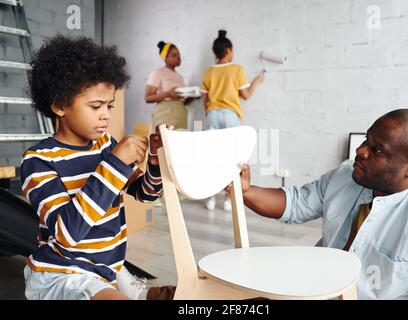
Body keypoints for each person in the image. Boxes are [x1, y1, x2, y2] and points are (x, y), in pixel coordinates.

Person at [228, 109, 408, 299]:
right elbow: (296, 202)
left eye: (377, 150)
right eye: (366, 140)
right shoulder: (346, 174)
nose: (360, 151)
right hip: (315, 288)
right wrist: (245, 190)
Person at [21, 35, 175, 300]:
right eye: (95, 106)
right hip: (61, 274)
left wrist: (154, 161)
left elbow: (146, 194)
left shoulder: (104, 145)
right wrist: (114, 164)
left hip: (104, 270)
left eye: (109, 105)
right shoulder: (38, 161)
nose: (106, 114)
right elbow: (68, 234)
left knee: (174, 295)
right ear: (59, 105)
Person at [201, 29, 264, 211]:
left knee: (212, 158)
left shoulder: (208, 72)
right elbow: (245, 95)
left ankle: (211, 199)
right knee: (234, 157)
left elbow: (204, 100)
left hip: (212, 114)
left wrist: (211, 111)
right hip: (230, 115)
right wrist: (257, 82)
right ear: (228, 50)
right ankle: (229, 199)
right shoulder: (237, 69)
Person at [145, 41, 195, 131]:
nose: (178, 57)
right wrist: (168, 94)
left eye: (179, 54)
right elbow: (148, 98)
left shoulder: (179, 77)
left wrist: (193, 97)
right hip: (165, 114)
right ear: (166, 57)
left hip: (181, 114)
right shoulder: (158, 72)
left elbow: (181, 100)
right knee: (164, 143)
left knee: (180, 143)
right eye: (174, 54)